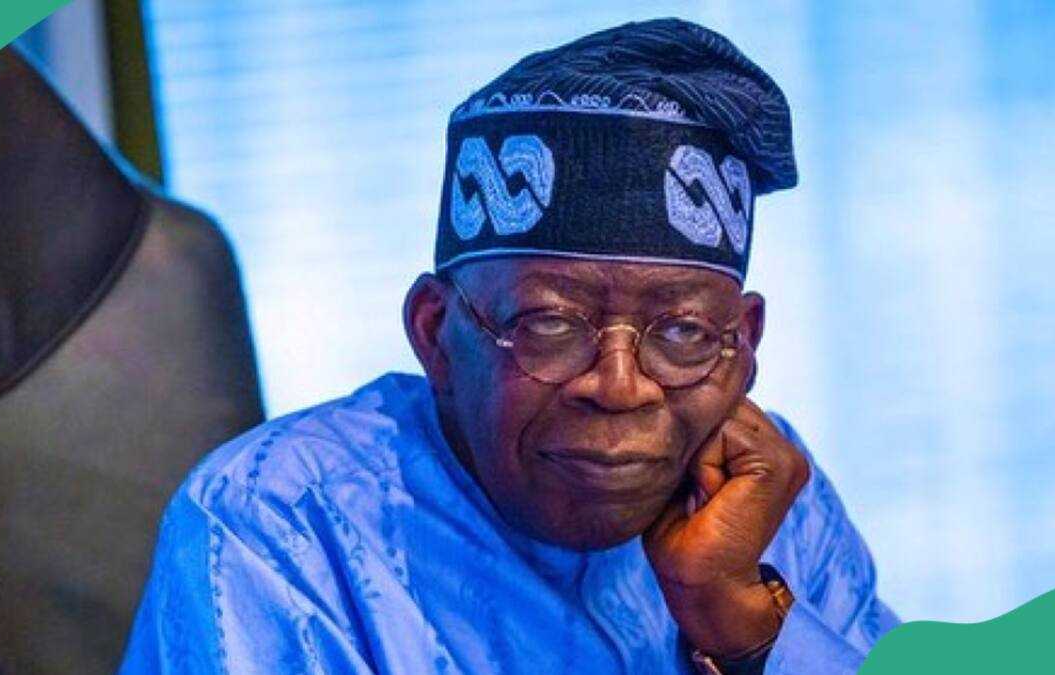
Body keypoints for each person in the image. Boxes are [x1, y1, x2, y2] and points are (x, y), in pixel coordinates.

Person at [120, 18, 898, 675]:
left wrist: (748, 625)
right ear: (437, 333)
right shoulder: (276, 524)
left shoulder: (763, 494)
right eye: (549, 324)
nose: (620, 386)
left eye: (683, 332)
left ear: (744, 345)